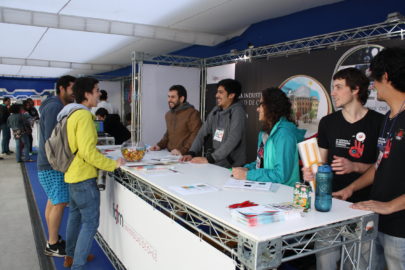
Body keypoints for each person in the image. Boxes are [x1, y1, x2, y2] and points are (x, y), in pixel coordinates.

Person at [303, 67, 383, 270]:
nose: (333, 92)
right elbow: (321, 164)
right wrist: (312, 173)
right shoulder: (328, 122)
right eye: (333, 87)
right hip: (330, 203)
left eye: (338, 87)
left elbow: (383, 169)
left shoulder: (379, 123)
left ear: (356, 89)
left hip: (365, 207)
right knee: (325, 261)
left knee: (358, 263)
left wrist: (356, 166)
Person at [333, 48, 405, 270]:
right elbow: (380, 165)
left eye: (374, 79)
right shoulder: (389, 118)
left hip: (401, 228)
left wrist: (391, 206)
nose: (372, 86)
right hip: (376, 219)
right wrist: (351, 189)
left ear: (386, 77)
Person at [59, 77, 125, 269]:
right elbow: (88, 153)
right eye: (96, 90)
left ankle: (71, 257)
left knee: (75, 216)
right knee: (90, 224)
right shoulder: (85, 116)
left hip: (72, 174)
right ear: (87, 94)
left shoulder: (71, 114)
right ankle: (76, 265)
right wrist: (112, 164)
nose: (98, 94)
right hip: (83, 177)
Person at [232, 87, 305, 186]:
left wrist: (248, 175)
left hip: (284, 194)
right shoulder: (264, 133)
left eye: (260, 104)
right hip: (267, 189)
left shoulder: (285, 135)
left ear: (272, 106)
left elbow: (281, 175)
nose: (257, 109)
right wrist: (247, 168)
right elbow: (261, 163)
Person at [37, 75, 76, 257]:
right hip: (53, 164)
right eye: (72, 88)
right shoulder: (55, 107)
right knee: (59, 202)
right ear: (62, 88)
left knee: (53, 201)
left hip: (48, 162)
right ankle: (52, 244)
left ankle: (53, 238)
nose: (74, 92)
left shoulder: (52, 105)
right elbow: (55, 139)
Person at [181, 79, 246, 168]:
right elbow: (202, 133)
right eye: (217, 92)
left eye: (220, 92)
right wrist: (191, 152)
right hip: (216, 162)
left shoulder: (238, 112)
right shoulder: (216, 110)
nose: (216, 95)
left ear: (231, 95)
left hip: (232, 166)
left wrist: (210, 159)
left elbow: (233, 140)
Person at [150, 85, 202, 155]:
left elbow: (196, 135)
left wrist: (182, 151)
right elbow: (168, 134)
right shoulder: (168, 114)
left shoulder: (192, 113)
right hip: (171, 156)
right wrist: (159, 145)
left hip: (187, 157)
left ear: (181, 99)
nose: (169, 100)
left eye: (173, 97)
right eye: (168, 97)